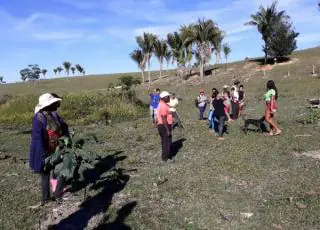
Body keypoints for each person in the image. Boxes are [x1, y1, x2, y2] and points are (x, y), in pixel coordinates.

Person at [29, 93, 69, 205]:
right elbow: (37, 138)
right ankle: (46, 199)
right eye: (55, 103)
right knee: (45, 174)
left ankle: (57, 193)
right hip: (45, 151)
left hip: (56, 149)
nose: (57, 105)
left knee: (62, 170)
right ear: (48, 105)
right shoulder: (39, 118)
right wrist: (42, 156)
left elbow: (63, 127)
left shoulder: (54, 115)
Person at [157, 91, 173, 162]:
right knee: (166, 142)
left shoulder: (162, 104)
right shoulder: (163, 106)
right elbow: (164, 118)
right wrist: (167, 130)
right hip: (164, 126)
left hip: (163, 126)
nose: (169, 98)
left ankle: (165, 157)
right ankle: (165, 158)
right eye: (168, 96)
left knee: (165, 141)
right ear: (164, 98)